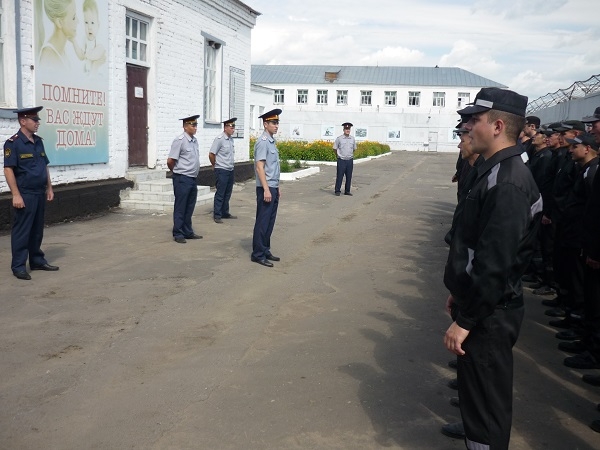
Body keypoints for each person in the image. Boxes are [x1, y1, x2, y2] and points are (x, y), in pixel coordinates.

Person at [443, 87, 542, 449]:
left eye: (474, 119)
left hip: (491, 312)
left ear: (498, 125)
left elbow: (495, 263)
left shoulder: (509, 182)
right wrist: (459, 293)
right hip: (480, 305)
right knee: (476, 395)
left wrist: (467, 320)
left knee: (487, 405)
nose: (467, 126)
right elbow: (473, 245)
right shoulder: (494, 171)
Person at [3, 106, 59, 280]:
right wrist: (16, 194)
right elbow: (8, 170)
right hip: (25, 193)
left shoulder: (38, 141)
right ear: (23, 121)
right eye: (34, 120)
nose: (38, 123)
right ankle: (18, 266)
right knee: (22, 230)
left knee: (36, 229)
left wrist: (49, 187)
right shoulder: (13, 143)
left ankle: (36, 260)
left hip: (39, 192)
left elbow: (44, 166)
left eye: (38, 120)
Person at [251, 109, 282, 267]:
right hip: (266, 187)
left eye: (277, 123)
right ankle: (258, 253)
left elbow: (273, 167)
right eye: (273, 123)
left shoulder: (270, 141)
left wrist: (276, 187)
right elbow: (260, 167)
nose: (276, 126)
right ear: (265, 124)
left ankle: (265, 249)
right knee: (263, 222)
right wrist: (267, 189)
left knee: (269, 222)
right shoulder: (263, 142)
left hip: (272, 186)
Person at [167, 114, 202, 244]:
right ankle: (178, 232)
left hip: (192, 178)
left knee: (190, 206)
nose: (195, 127)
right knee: (181, 206)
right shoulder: (179, 140)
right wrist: (177, 173)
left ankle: (188, 231)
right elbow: (170, 161)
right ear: (185, 126)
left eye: (196, 125)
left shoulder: (194, 140)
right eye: (193, 125)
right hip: (182, 178)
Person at [209, 117, 237, 223]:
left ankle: (225, 212)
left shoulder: (230, 139)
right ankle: (217, 214)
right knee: (220, 192)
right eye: (231, 127)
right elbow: (211, 154)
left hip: (230, 169)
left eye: (234, 127)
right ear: (225, 127)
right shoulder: (219, 139)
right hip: (221, 169)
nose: (233, 129)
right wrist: (214, 165)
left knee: (228, 192)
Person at [38, 0, 78, 70]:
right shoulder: (49, 56)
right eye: (73, 18)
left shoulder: (62, 51)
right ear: (59, 22)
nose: (78, 21)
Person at [70, 0, 107, 75]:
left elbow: (98, 53)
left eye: (92, 23)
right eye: (86, 22)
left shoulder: (99, 39)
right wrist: (74, 42)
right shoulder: (85, 39)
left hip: (98, 73)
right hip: (88, 71)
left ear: (98, 24)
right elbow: (81, 56)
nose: (89, 27)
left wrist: (87, 54)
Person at [333, 122, 357, 196]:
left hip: (349, 160)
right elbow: (334, 148)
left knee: (349, 176)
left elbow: (354, 149)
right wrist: (338, 155)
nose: (347, 130)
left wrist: (349, 155)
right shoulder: (339, 139)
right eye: (346, 129)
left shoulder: (352, 139)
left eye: (348, 129)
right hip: (341, 160)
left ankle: (347, 191)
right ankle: (337, 190)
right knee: (340, 176)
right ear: (343, 129)